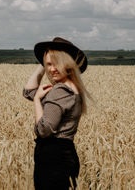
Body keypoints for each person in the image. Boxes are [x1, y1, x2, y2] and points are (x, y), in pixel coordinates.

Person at [23, 37, 92, 190]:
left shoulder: (60, 90)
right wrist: (43, 66)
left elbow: (44, 130)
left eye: (57, 64)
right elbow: (28, 91)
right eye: (48, 64)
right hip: (66, 155)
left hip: (53, 158)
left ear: (67, 64)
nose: (52, 69)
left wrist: (36, 101)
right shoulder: (72, 88)